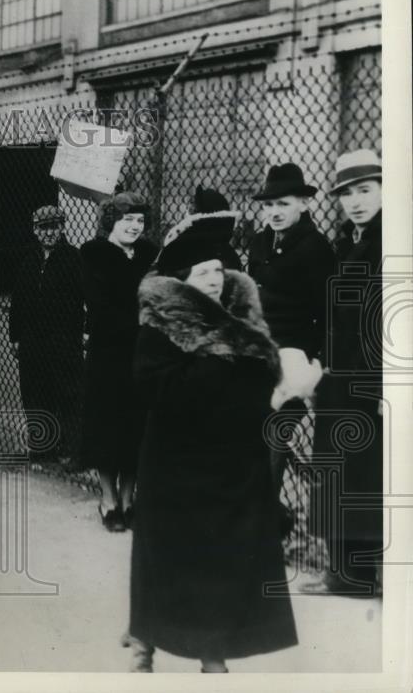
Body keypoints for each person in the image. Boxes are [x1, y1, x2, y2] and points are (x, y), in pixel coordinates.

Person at [126, 213, 298, 673]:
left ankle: (213, 651)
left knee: (225, 560)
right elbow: (154, 390)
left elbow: (257, 388)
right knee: (169, 558)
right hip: (177, 462)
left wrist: (279, 388)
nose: (214, 279)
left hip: (233, 462)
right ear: (181, 279)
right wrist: (217, 356)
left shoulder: (244, 321)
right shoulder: (162, 325)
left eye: (219, 270)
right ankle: (145, 638)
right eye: (202, 272)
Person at [304, 149, 384, 597]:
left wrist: (378, 384)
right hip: (339, 374)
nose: (355, 201)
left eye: (365, 190)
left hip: (366, 377)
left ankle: (356, 576)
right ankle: (341, 572)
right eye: (347, 193)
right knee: (338, 471)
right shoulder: (349, 240)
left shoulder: (387, 241)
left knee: (359, 474)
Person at [247, 163, 335, 495]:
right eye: (269, 205)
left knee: (274, 430)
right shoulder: (258, 242)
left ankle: (266, 513)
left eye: (283, 204)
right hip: (257, 350)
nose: (274, 212)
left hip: (295, 356)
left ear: (304, 203)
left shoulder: (316, 248)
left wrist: (314, 359)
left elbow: (328, 311)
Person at [78, 192, 158, 531]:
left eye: (139, 221)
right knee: (108, 429)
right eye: (127, 220)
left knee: (136, 427)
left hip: (143, 354)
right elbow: (99, 308)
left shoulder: (150, 254)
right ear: (111, 220)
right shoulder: (93, 254)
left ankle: (129, 498)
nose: (134, 227)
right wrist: (140, 318)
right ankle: (108, 500)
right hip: (108, 355)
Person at [10, 205, 85, 465]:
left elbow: (85, 298)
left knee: (67, 394)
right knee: (35, 393)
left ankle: (70, 449)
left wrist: (84, 331)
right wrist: (15, 336)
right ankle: (42, 449)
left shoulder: (73, 257)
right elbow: (17, 301)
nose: (49, 233)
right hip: (32, 340)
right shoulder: (29, 259)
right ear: (35, 230)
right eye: (43, 228)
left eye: (54, 226)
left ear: (63, 227)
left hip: (63, 338)